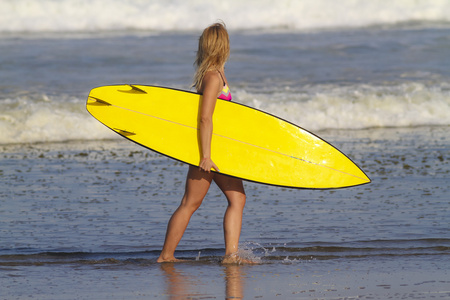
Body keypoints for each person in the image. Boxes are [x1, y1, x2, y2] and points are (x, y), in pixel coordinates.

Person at [157, 22, 247, 264]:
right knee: (190, 203)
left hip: (215, 148)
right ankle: (166, 256)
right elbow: (205, 117)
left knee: (236, 199)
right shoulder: (213, 77)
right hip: (208, 151)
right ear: (223, 46)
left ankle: (231, 255)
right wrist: (205, 156)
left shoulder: (215, 73)